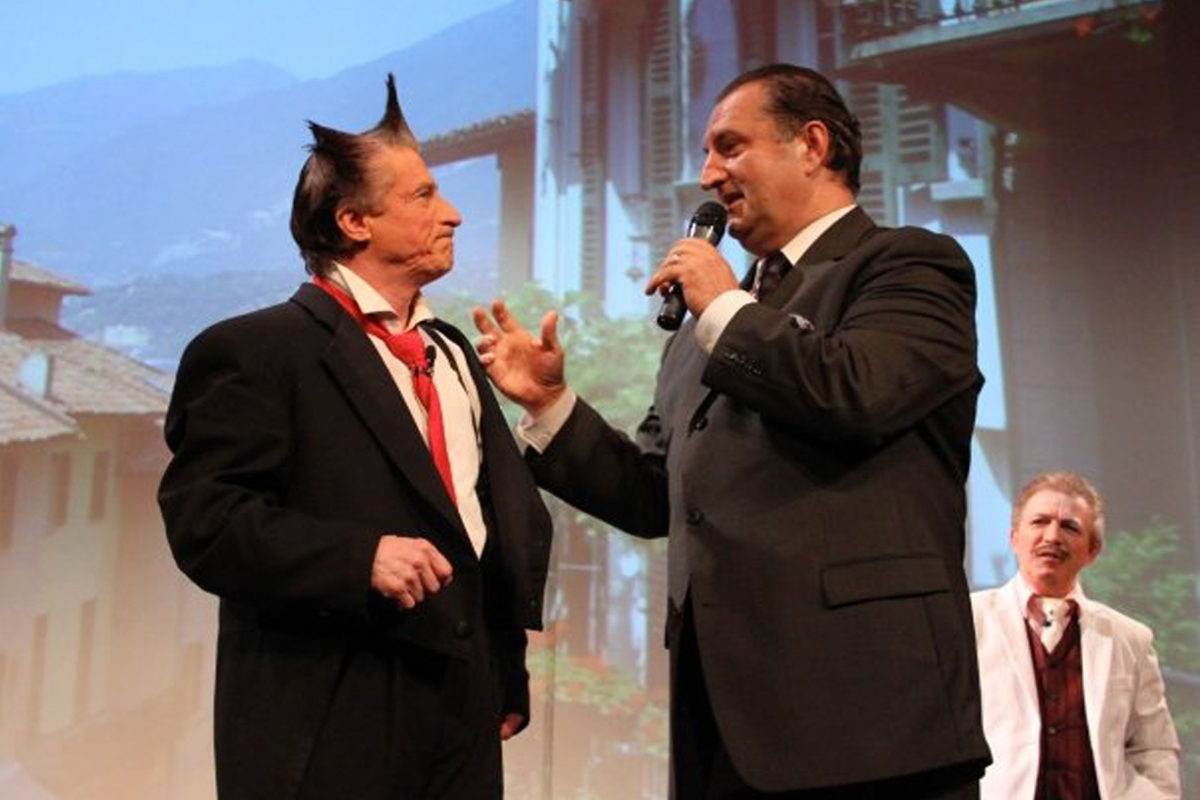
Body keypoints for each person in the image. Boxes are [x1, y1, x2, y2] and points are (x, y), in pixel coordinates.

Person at [475, 63, 990, 798]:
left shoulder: (907, 264)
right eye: (707, 153)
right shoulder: (703, 327)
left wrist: (722, 308)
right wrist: (552, 404)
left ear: (812, 145)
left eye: (730, 146)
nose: (708, 174)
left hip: (870, 718)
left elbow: (857, 393)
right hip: (722, 720)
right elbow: (655, 493)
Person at [158, 75, 552, 800]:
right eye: (423, 196)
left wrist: (504, 666)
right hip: (329, 719)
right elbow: (206, 523)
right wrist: (357, 558)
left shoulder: (452, 352)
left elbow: (483, 518)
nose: (454, 214)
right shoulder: (254, 350)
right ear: (353, 222)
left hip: (463, 718)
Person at [972, 472, 1181, 800]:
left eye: (1069, 527)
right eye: (1040, 522)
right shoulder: (969, 621)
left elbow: (1153, 747)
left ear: (1092, 550)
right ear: (1014, 537)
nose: (1052, 536)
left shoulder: (1131, 638)